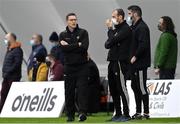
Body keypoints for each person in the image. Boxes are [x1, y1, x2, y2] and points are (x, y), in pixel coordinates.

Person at [59, 13, 89, 122]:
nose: (73, 21)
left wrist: (69, 45)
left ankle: (82, 113)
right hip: (69, 67)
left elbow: (84, 47)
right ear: (67, 21)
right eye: (71, 20)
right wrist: (77, 44)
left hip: (82, 66)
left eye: (75, 19)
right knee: (69, 91)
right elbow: (63, 49)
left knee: (82, 91)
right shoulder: (62, 35)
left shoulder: (83, 32)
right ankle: (70, 115)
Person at [105, 9, 132, 122]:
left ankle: (126, 114)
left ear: (120, 17)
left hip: (120, 62)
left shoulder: (126, 29)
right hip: (112, 61)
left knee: (121, 88)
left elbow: (113, 40)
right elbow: (107, 44)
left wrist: (110, 29)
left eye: (114, 16)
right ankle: (118, 113)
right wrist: (112, 36)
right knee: (113, 89)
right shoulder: (117, 29)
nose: (112, 19)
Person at [127, 5, 151, 119]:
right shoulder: (134, 27)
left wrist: (135, 56)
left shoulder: (142, 27)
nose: (128, 16)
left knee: (141, 87)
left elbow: (143, 45)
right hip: (133, 64)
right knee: (134, 86)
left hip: (140, 64)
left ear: (135, 14)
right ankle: (138, 112)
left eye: (129, 14)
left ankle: (146, 113)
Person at [0, 33, 23, 113]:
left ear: (12, 38)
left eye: (6, 38)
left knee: (12, 94)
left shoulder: (17, 50)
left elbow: (17, 63)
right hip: (6, 76)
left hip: (13, 76)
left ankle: (12, 111)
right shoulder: (9, 49)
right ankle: (2, 110)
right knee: (3, 93)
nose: (5, 40)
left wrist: (8, 71)